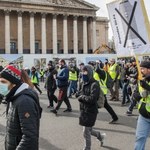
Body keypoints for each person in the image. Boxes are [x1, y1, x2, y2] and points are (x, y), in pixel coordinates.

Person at [0, 64, 42, 150]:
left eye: (3, 82)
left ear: (14, 84)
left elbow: (29, 137)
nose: (0, 85)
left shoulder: (24, 101)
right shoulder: (12, 96)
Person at [78, 65, 106, 150]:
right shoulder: (83, 83)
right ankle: (100, 136)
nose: (83, 74)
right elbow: (80, 93)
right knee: (88, 130)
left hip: (91, 111)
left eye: (85, 72)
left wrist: (82, 97)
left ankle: (87, 148)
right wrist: (78, 94)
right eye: (82, 72)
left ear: (89, 72)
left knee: (86, 132)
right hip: (83, 110)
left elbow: (93, 99)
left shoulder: (95, 84)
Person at [134, 60, 150, 150]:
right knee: (139, 138)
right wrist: (138, 95)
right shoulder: (142, 80)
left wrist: (148, 88)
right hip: (143, 116)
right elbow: (135, 95)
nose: (141, 71)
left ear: (149, 69)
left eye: (143, 69)